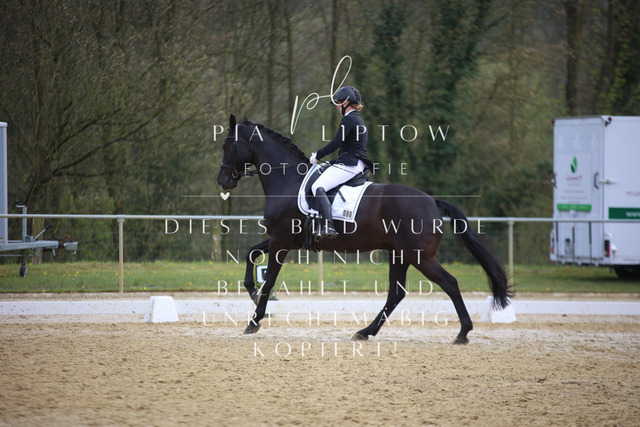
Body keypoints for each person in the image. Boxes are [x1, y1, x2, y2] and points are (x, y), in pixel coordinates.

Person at [310, 86, 373, 239]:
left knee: (317, 187)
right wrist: (332, 162)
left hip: (350, 165)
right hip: (356, 164)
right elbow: (350, 149)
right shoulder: (358, 120)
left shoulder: (349, 119)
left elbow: (336, 143)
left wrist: (318, 155)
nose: (337, 107)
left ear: (346, 103)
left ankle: (328, 226)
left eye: (339, 103)